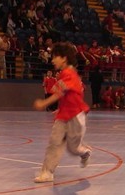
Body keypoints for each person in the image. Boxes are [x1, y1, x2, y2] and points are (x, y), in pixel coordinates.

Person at [32, 42, 92, 183]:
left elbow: (60, 93)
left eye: (55, 57)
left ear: (64, 58)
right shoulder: (63, 74)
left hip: (76, 117)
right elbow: (70, 95)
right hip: (63, 116)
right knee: (54, 142)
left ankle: (85, 152)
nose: (52, 60)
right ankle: (47, 172)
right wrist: (60, 109)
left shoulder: (70, 73)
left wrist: (43, 103)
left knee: (73, 148)